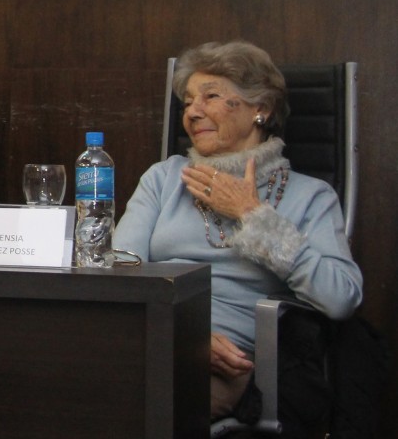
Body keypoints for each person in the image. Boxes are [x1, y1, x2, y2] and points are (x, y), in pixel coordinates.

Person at [113, 41, 363, 420]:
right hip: (149, 339)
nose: (193, 113)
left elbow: (341, 297)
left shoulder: (311, 195)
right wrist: (184, 336)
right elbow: (120, 272)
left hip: (231, 361)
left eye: (210, 96)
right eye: (188, 102)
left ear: (260, 109)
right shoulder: (164, 178)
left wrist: (253, 216)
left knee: (141, 406)